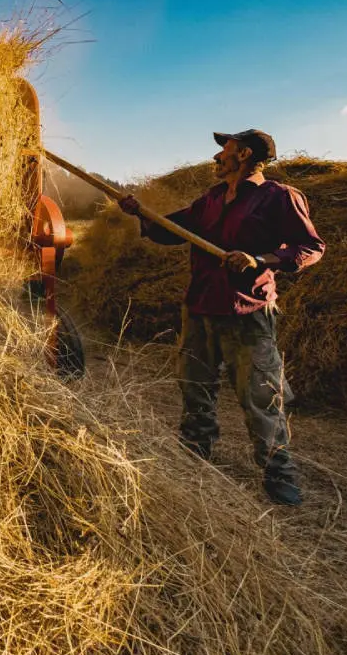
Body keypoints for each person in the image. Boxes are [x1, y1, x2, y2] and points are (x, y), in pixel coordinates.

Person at [119, 129, 325, 506]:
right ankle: (196, 448)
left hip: (246, 309)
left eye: (224, 150)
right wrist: (142, 215)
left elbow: (310, 247)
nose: (216, 157)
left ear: (244, 154)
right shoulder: (211, 199)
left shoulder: (278, 197)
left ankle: (277, 471)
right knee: (194, 384)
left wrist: (259, 260)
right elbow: (173, 231)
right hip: (200, 307)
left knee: (260, 395)